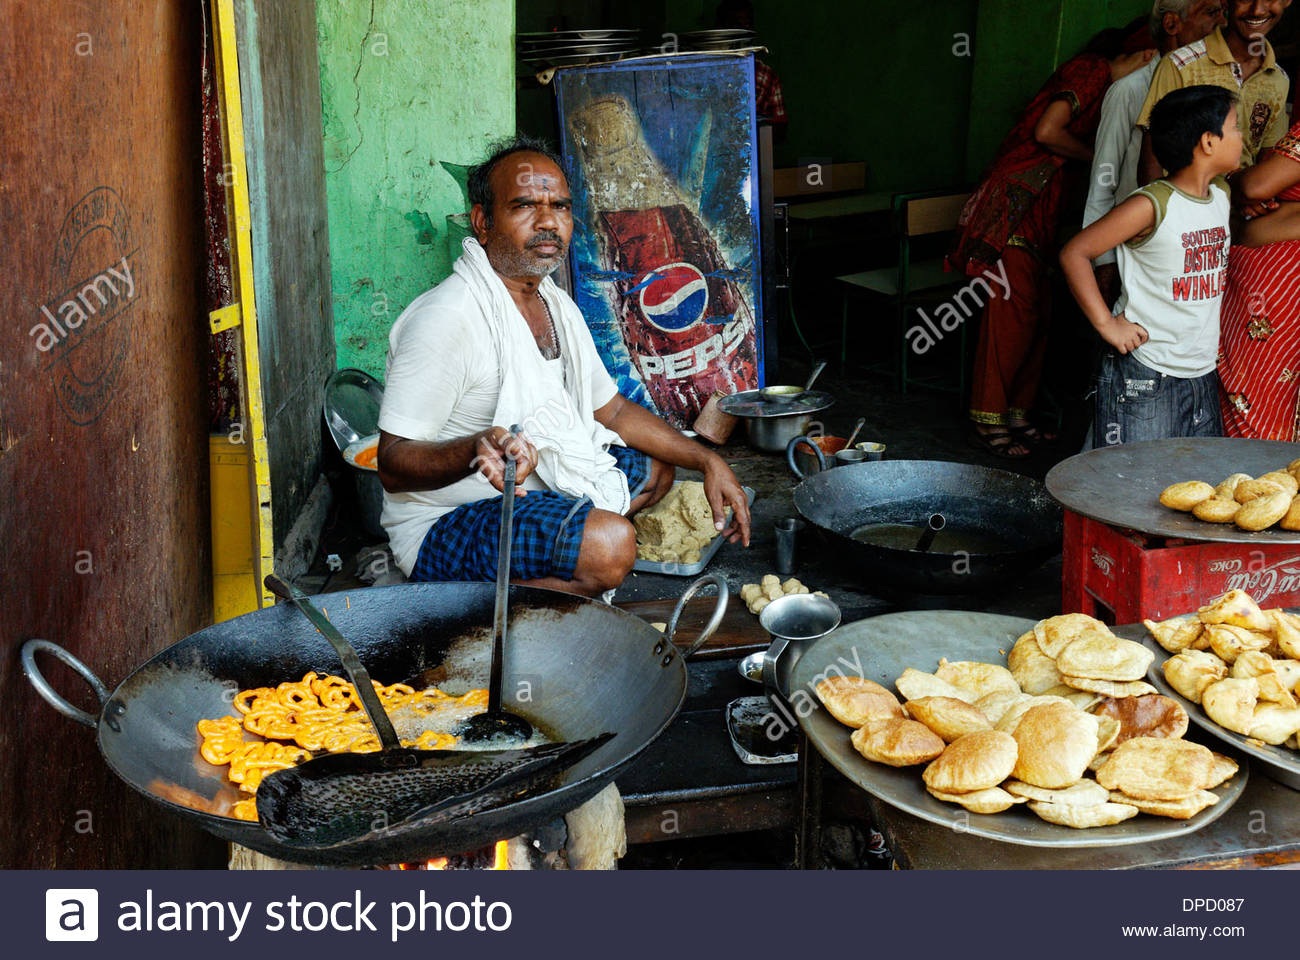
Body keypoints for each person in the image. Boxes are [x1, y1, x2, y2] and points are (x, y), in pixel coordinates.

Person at [375, 137, 752, 597]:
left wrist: (707, 459)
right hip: (449, 522)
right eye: (525, 206)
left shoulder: (554, 303)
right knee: (610, 545)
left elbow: (610, 412)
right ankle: (467, 607)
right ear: (483, 222)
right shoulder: (447, 319)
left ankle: (543, 571)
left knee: (659, 464)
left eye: (560, 206)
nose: (548, 221)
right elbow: (393, 464)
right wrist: (475, 447)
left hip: (541, 484)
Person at [950, 32, 1155, 458]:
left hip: (1045, 217)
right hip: (1018, 210)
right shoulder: (1092, 70)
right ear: (1144, 51)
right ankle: (985, 419)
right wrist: (1099, 157)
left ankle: (1016, 413)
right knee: (1009, 317)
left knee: (1035, 316)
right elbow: (1047, 131)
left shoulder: (1109, 92)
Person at [1061, 86, 1241, 447]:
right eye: (1235, 127)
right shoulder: (1151, 204)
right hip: (1146, 369)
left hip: (1201, 370)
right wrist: (1106, 324)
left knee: (1194, 482)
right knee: (1130, 485)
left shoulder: (1220, 194)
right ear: (1208, 141)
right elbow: (1075, 253)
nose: (1241, 138)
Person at [1083, 0, 1226, 305]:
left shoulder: (1210, 87)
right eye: (1211, 13)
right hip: (1131, 249)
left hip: (1189, 252)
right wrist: (1104, 263)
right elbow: (1102, 181)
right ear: (1172, 24)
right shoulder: (1130, 90)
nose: (1221, 23)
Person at [1136, 0, 1292, 184]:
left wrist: (1256, 200)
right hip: (1185, 206)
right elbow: (1151, 160)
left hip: (1241, 207)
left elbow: (1267, 160)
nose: (1257, 10)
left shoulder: (1278, 79)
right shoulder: (1181, 65)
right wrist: (1165, 210)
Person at [1217, 118, 1300, 439]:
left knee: (1255, 401)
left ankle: (1256, 485)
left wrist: (1232, 178)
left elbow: (1257, 186)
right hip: (1280, 284)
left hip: (1279, 287)